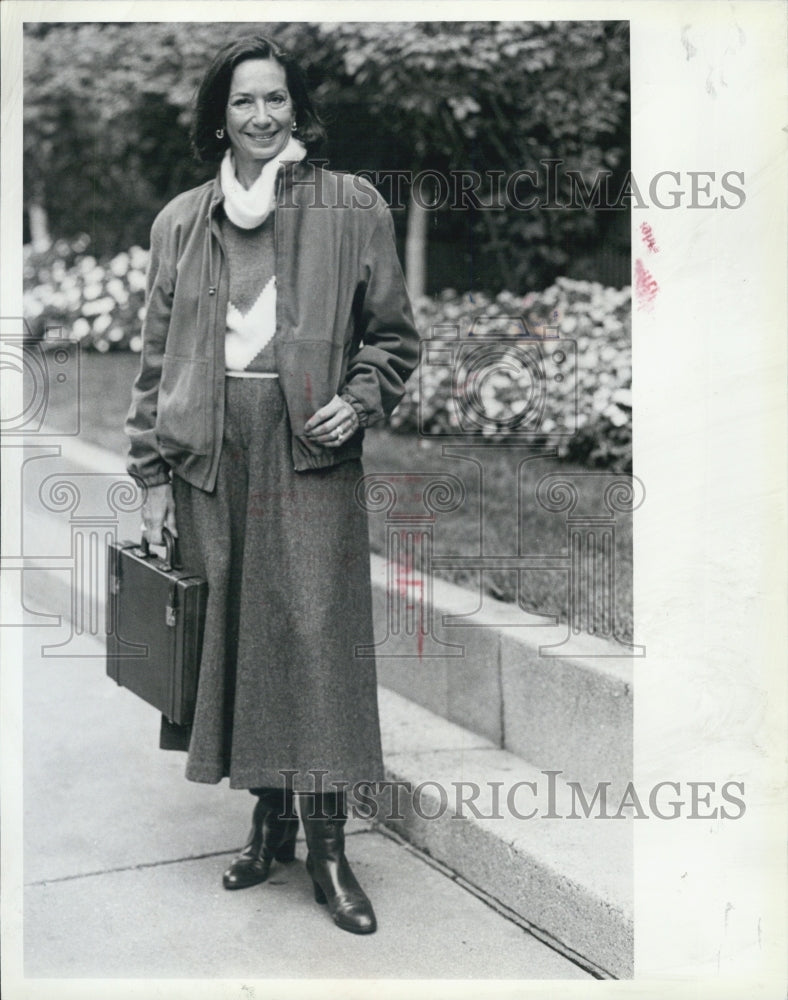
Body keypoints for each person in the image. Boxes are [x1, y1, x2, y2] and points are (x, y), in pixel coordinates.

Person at [125, 34, 420, 936]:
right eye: (245, 102)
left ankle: (330, 848)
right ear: (220, 116)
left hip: (308, 452)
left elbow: (393, 337)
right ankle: (269, 823)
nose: (262, 117)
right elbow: (152, 359)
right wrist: (148, 473)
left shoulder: (349, 204)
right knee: (240, 642)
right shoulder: (183, 218)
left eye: (276, 101)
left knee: (314, 636)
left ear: (298, 110)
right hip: (211, 458)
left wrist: (358, 400)